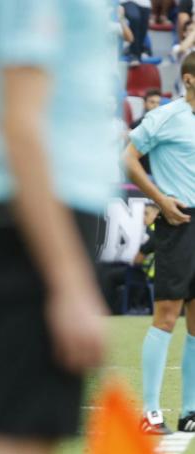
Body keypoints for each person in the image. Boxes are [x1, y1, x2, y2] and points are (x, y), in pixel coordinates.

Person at [0, 1, 116, 453]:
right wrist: (68, 282)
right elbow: (21, 124)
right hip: (37, 219)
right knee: (21, 439)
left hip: (44, 215)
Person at [124, 51, 195, 435]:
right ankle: (149, 412)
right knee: (167, 316)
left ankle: (190, 411)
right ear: (188, 80)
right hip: (178, 222)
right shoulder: (166, 117)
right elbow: (129, 158)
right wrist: (161, 199)